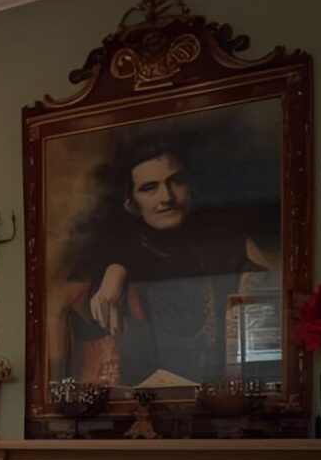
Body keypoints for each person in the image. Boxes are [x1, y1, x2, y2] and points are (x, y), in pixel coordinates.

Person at [64, 139, 279, 386]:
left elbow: (274, 288)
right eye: (149, 188)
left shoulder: (228, 241)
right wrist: (115, 269)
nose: (166, 196)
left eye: (176, 181)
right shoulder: (118, 257)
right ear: (131, 203)